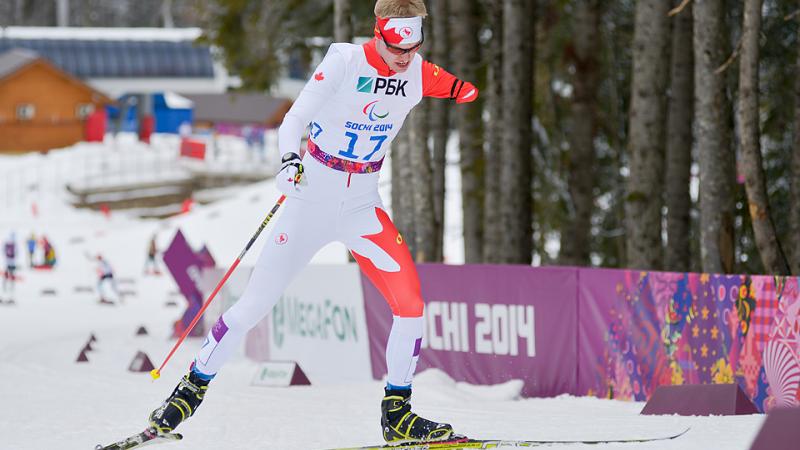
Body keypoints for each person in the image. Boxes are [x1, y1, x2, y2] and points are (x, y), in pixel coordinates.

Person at [147, 0, 478, 445]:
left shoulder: (418, 71)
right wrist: (288, 160)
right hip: (311, 200)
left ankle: (397, 415)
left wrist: (465, 91)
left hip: (362, 205)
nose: (404, 58)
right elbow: (295, 118)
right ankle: (188, 392)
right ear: (378, 34)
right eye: (397, 46)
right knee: (253, 306)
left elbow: (461, 88)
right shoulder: (345, 60)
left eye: (413, 46)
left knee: (411, 304)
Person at [2, 233, 17, 302]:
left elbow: (3, 252)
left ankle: (9, 286)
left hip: (9, 262)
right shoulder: (11, 245)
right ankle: (8, 286)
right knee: (9, 274)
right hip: (9, 262)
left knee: (10, 274)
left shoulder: (9, 245)